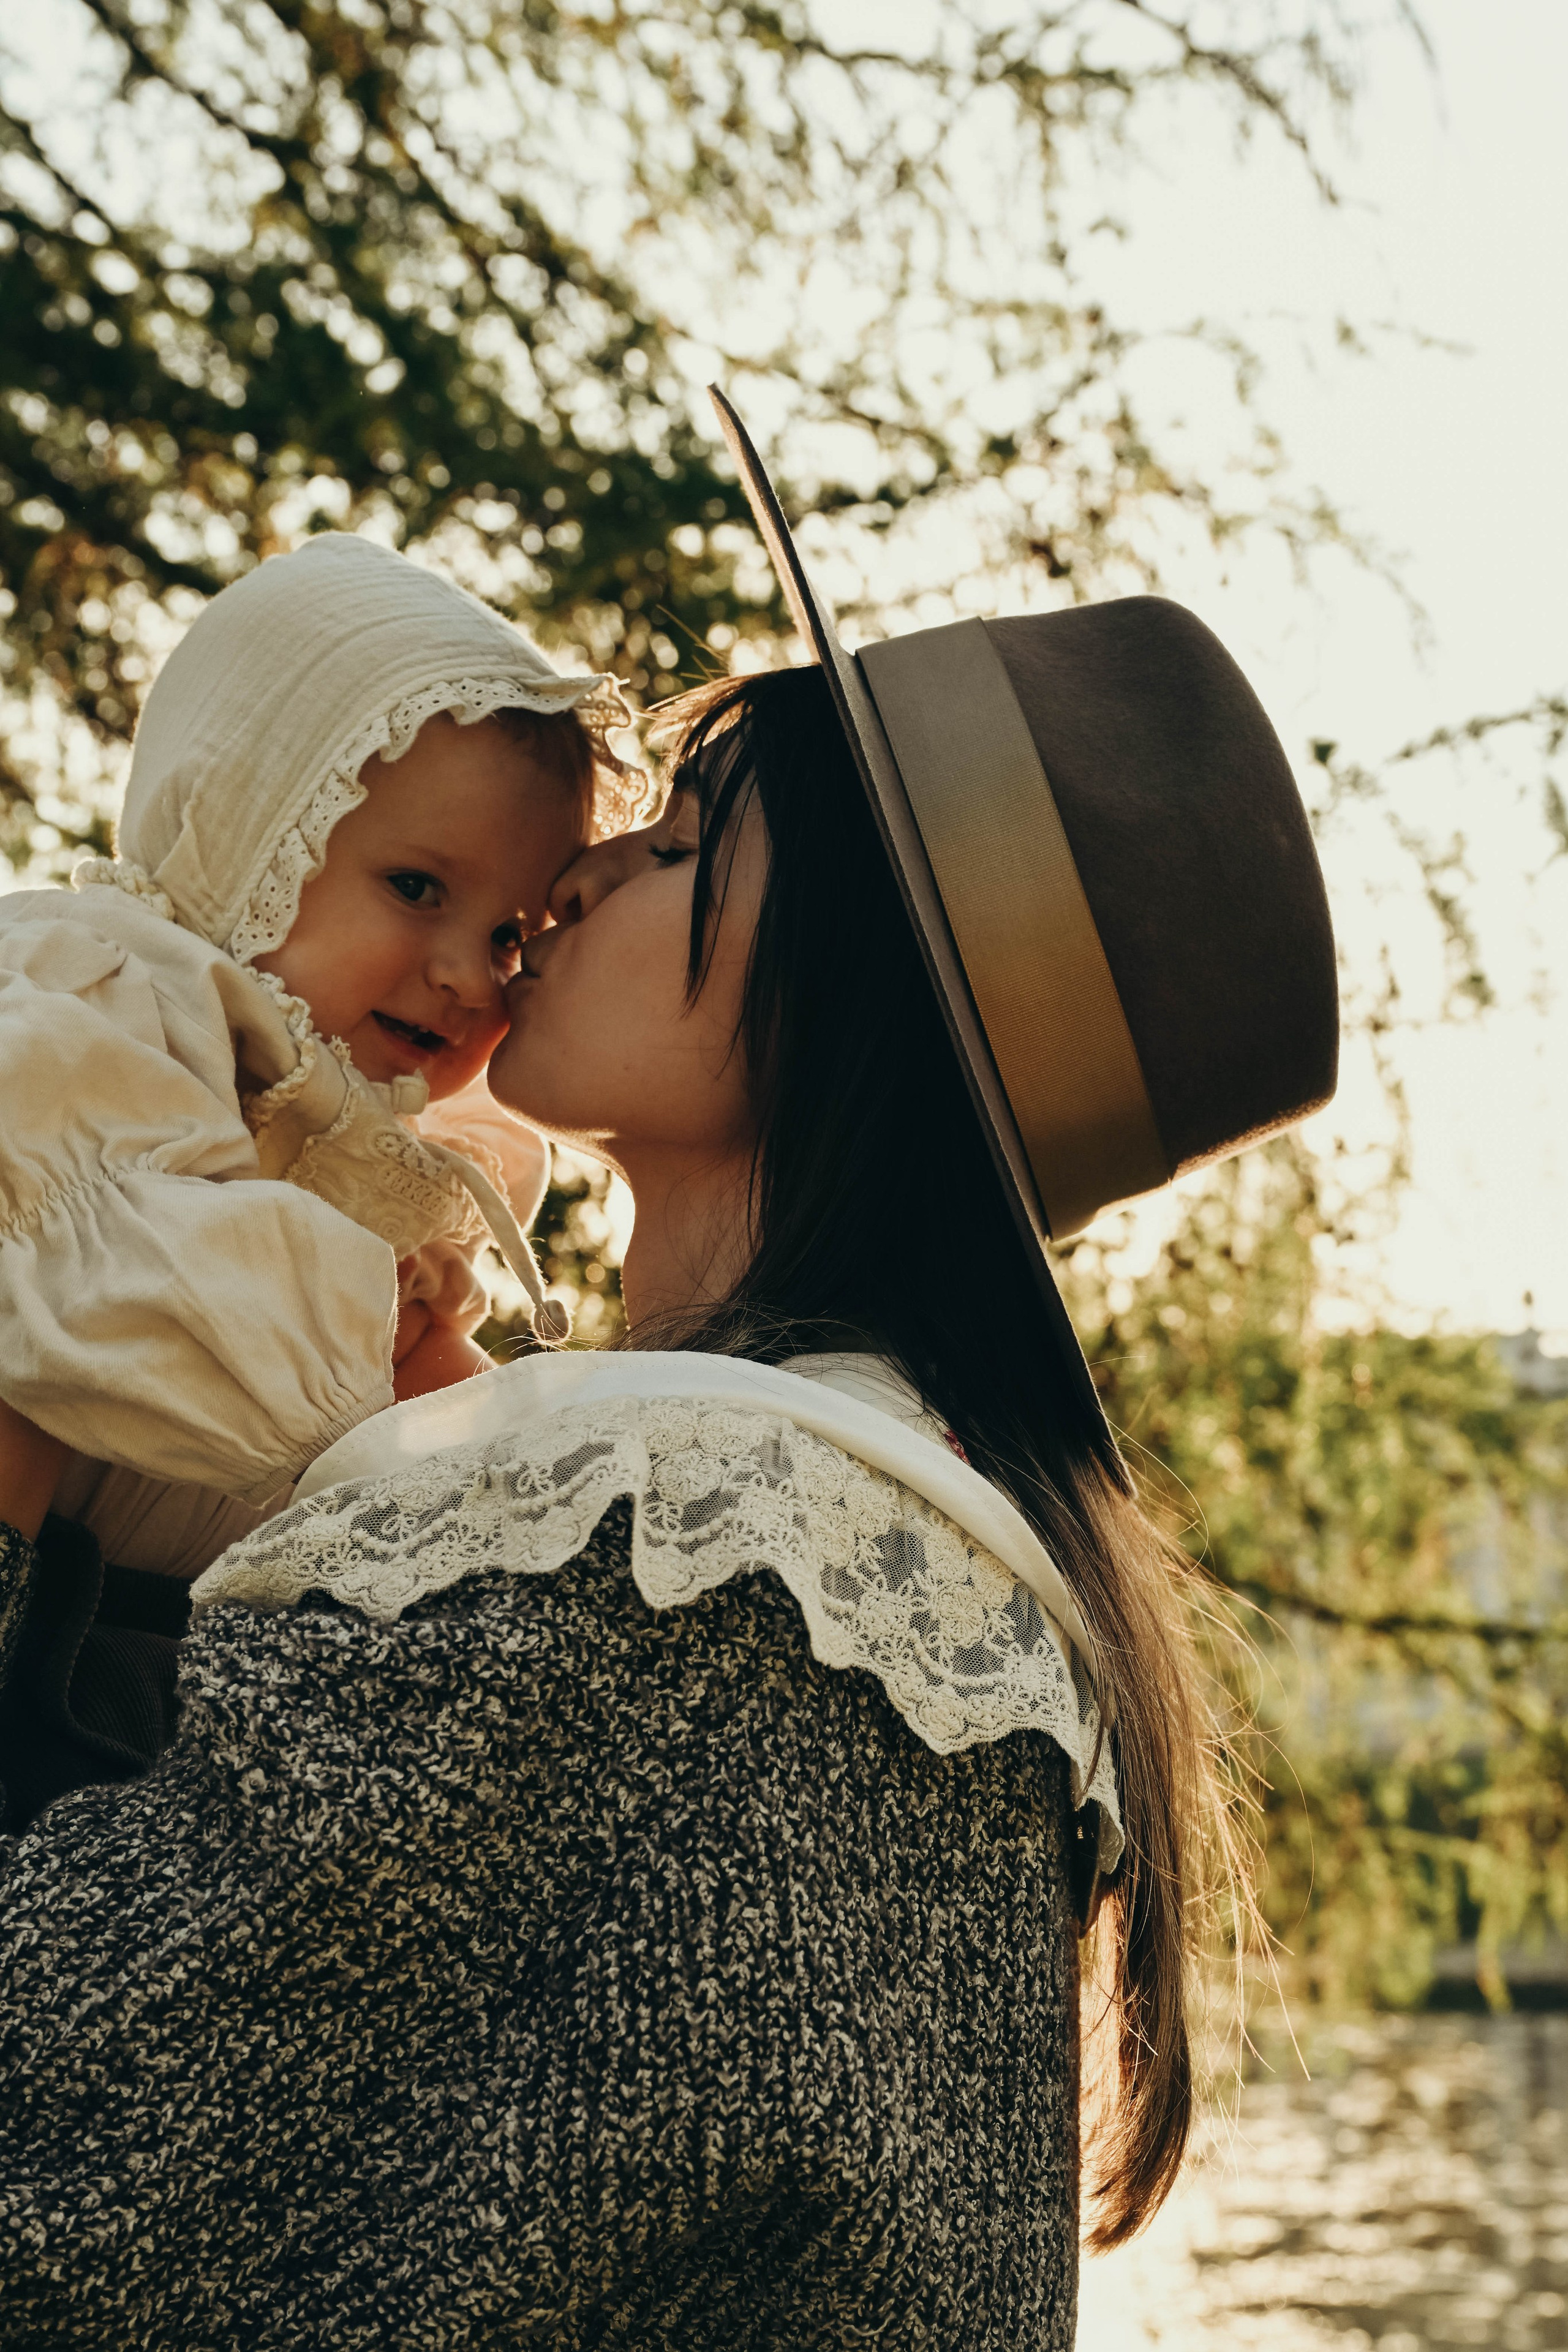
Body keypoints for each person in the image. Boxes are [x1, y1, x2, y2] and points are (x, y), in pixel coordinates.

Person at [0, 399, 1337, 2345]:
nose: (598, 865)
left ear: (837, 999)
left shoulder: (685, 1564)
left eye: (690, 843)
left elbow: (54, 2137)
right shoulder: (869, 1565)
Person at [0, 530, 627, 1828]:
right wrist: (373, 1322)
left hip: (149, 1633)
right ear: (244, 826)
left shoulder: (363, 1144)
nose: (469, 972)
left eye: (510, 933)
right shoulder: (110, 995)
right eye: (415, 887)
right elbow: (103, 1274)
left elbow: (409, 1453)